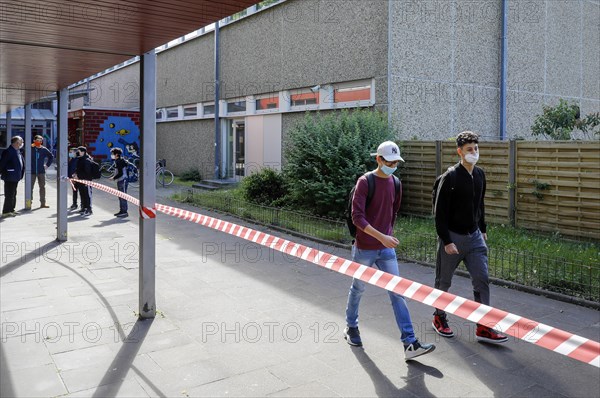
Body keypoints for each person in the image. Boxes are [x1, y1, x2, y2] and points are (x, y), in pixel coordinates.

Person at [344, 140, 435, 361]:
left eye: (396, 162)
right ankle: (351, 326)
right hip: (365, 248)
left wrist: (388, 235)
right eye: (389, 161)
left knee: (397, 292)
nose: (393, 165)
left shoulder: (396, 183)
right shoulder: (365, 182)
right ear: (378, 159)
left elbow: (393, 212)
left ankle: (410, 343)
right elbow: (357, 217)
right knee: (358, 288)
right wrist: (382, 237)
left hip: (386, 250)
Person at [432, 131, 508, 344]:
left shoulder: (480, 174)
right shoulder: (451, 177)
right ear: (459, 152)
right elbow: (439, 213)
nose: (474, 152)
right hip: (452, 237)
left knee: (482, 279)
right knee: (443, 281)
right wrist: (446, 241)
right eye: (469, 149)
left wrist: (482, 229)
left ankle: (483, 326)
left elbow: (479, 204)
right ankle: (439, 317)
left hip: (474, 237)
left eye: (476, 148)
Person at [0, 136, 25, 217]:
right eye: (21, 142)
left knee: (13, 193)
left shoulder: (17, 151)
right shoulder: (8, 151)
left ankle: (11, 209)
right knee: (9, 194)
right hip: (9, 176)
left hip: (16, 176)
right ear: (16, 142)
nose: (22, 143)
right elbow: (2, 163)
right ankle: (6, 211)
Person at [31, 135, 54, 208]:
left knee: (42, 187)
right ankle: (28, 204)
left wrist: (47, 165)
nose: (39, 142)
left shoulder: (44, 149)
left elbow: (51, 157)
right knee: (30, 188)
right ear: (34, 140)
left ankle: (43, 203)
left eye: (41, 141)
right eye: (38, 140)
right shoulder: (30, 148)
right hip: (31, 171)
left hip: (41, 171)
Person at [73, 146, 93, 216]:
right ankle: (83, 207)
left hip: (86, 181)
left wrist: (79, 176)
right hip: (80, 180)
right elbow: (78, 169)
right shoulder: (80, 159)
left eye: (79, 151)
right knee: (82, 194)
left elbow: (87, 172)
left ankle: (89, 209)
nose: (78, 153)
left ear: (83, 152)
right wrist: (75, 174)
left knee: (87, 195)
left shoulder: (87, 160)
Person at [110, 147, 129, 218]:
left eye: (113, 154)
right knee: (120, 196)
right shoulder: (119, 161)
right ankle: (122, 211)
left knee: (123, 196)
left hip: (122, 180)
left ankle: (124, 211)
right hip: (121, 180)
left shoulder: (120, 161)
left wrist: (113, 178)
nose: (112, 155)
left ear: (117, 154)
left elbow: (120, 173)